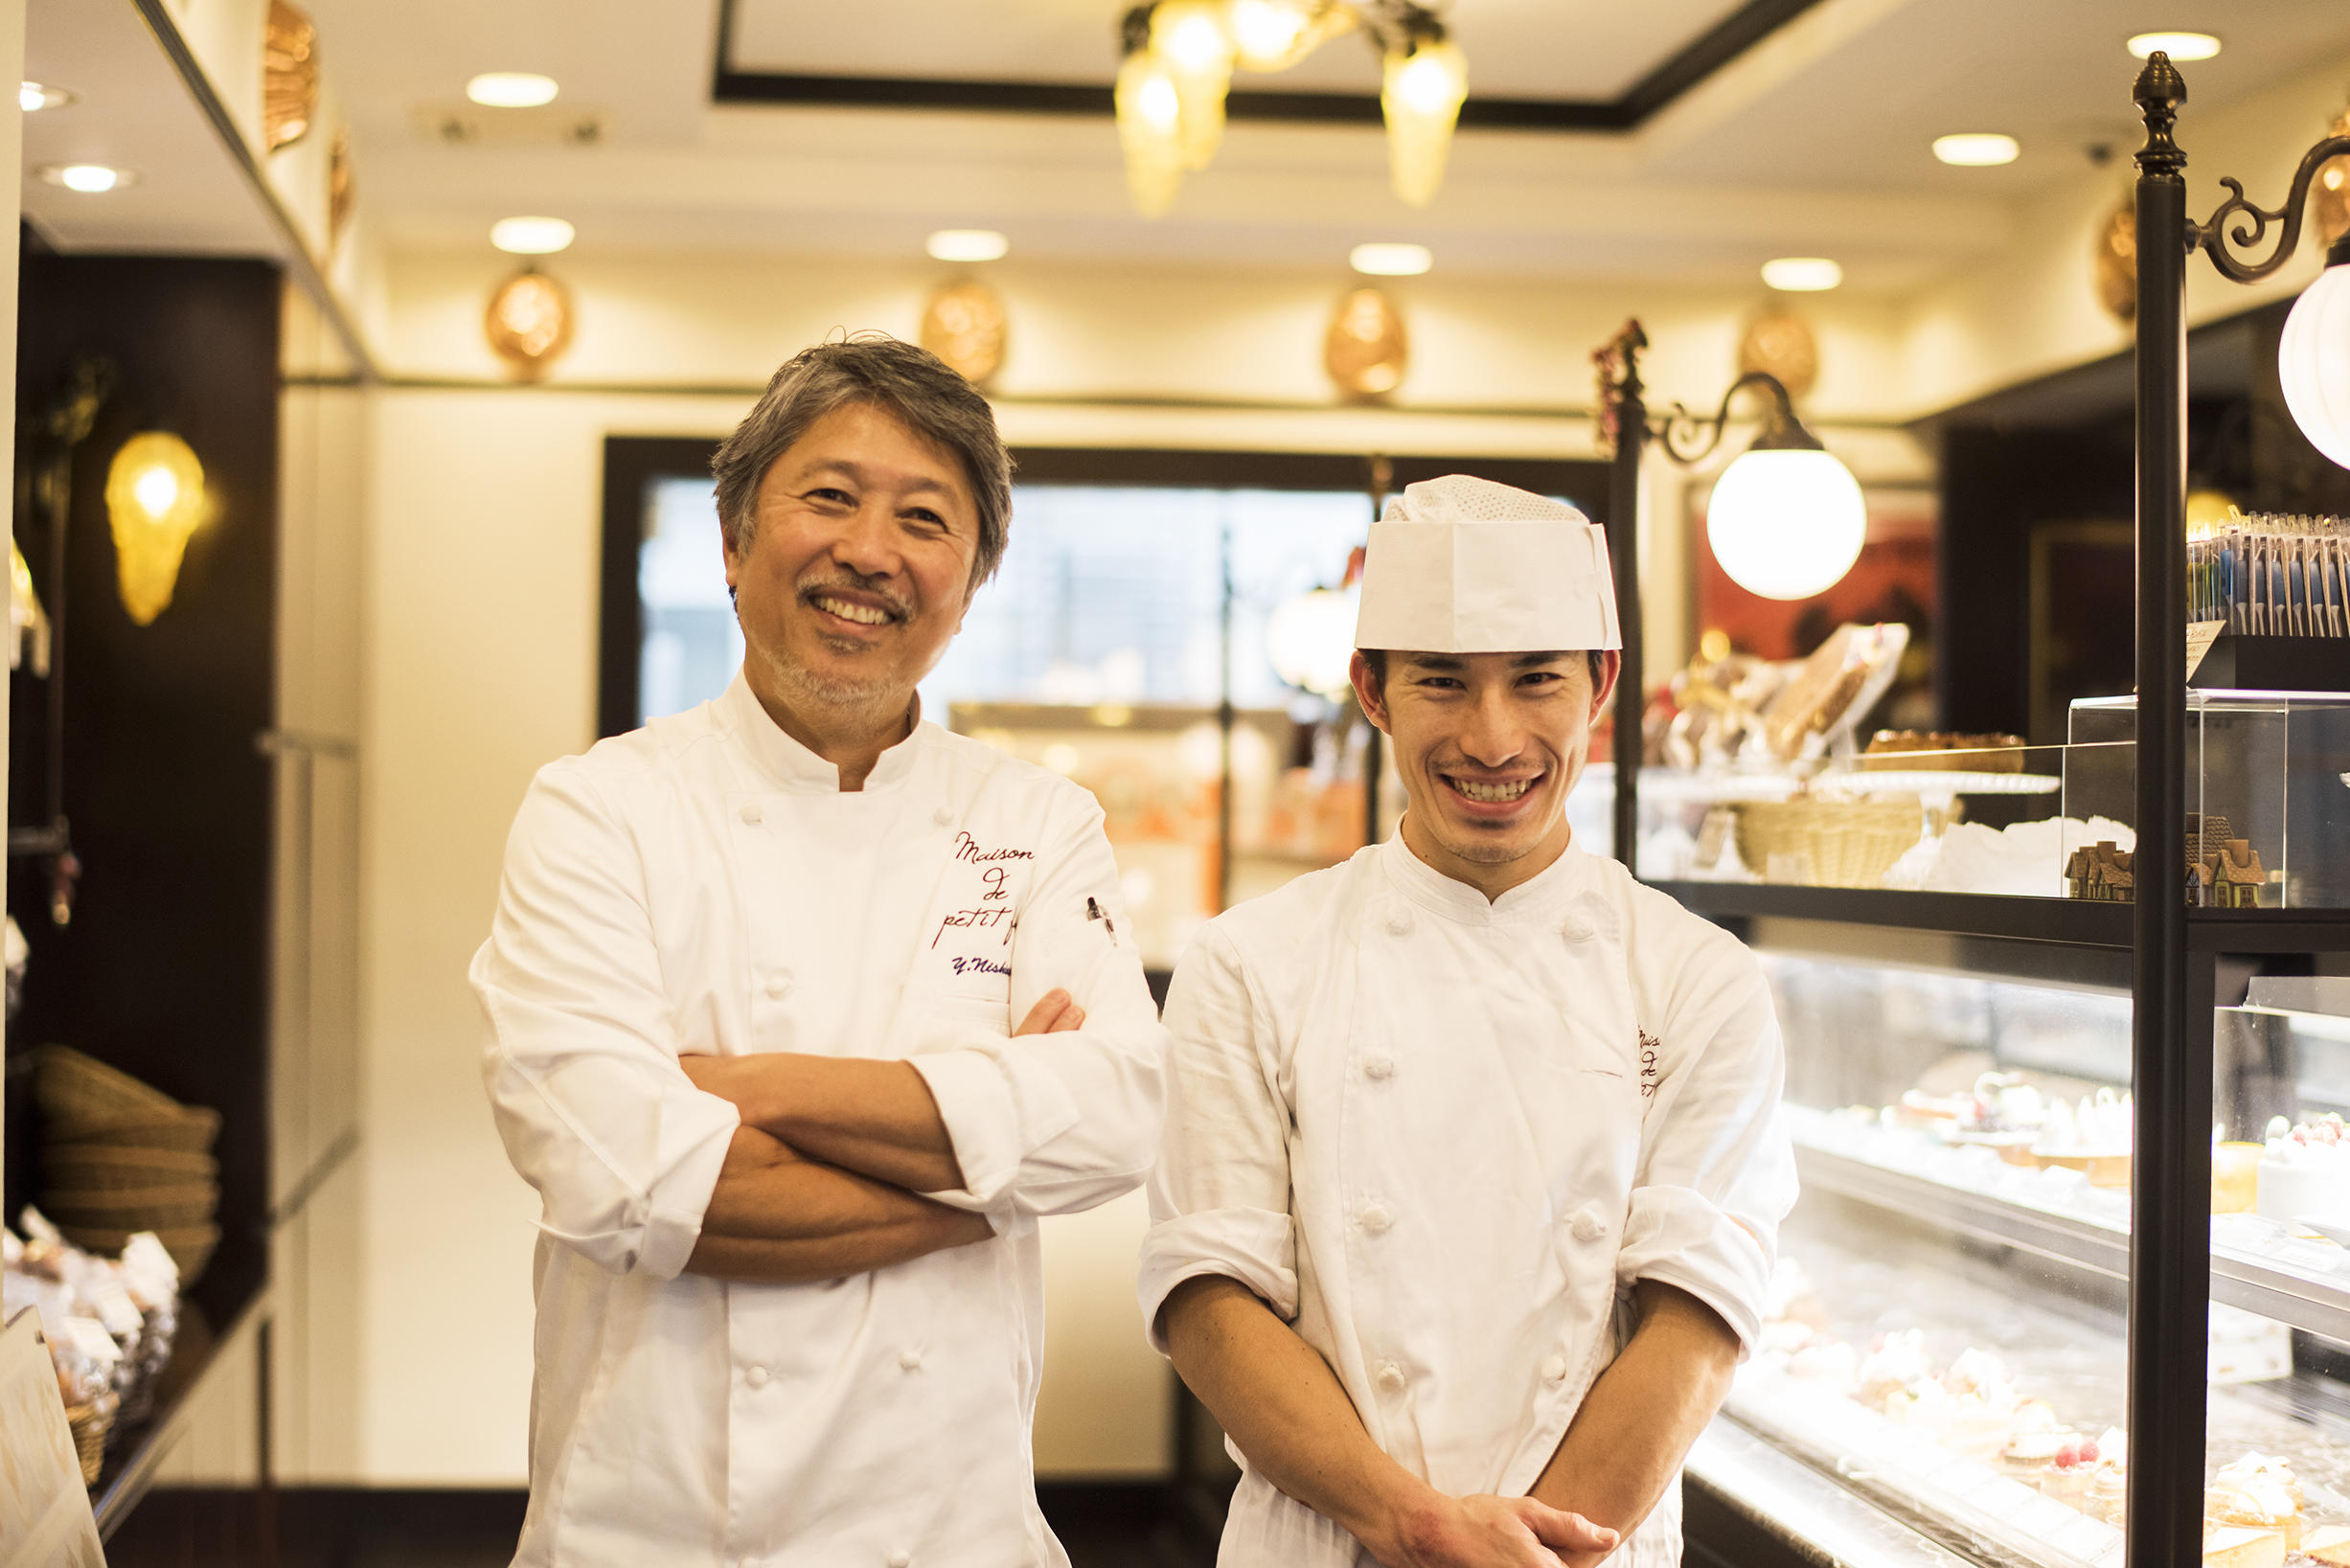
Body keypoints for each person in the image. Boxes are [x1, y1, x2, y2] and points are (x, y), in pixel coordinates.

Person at [473, 336, 1168, 1567]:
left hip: (950, 1531)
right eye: (829, 495)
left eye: (924, 517)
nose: (870, 551)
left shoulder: (1034, 821)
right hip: (655, 1531)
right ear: (734, 545)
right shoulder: (597, 809)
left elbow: (1115, 1113)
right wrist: (991, 1175)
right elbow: (619, 1178)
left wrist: (740, 1090)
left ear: (969, 582)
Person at [1140, 475, 1797, 1568]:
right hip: (1326, 1539)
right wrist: (1411, 1519)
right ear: (1371, 688)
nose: (1492, 740)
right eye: (1442, 683)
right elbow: (1211, 1298)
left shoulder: (1697, 977)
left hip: (1587, 1548)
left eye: (1535, 680)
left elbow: (1696, 1317)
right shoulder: (1247, 962)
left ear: (1600, 685)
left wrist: (1526, 1555)